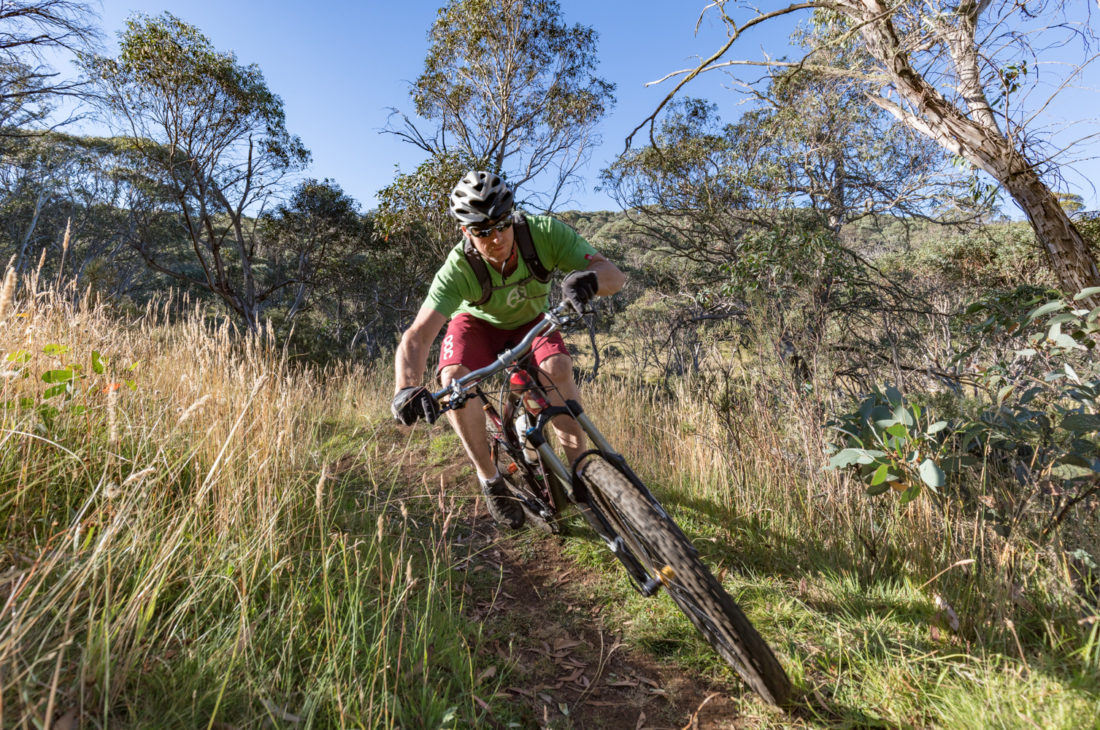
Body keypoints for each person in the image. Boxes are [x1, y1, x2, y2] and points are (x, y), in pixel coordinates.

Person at [391, 171, 626, 528]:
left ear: (513, 215)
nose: (496, 238)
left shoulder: (543, 234)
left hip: (532, 321)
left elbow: (613, 274)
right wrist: (406, 387)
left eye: (502, 224)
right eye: (482, 231)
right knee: (455, 380)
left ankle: (583, 473)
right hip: (477, 325)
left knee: (559, 368)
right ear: (465, 231)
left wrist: (589, 279)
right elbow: (418, 336)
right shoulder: (459, 267)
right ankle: (491, 479)